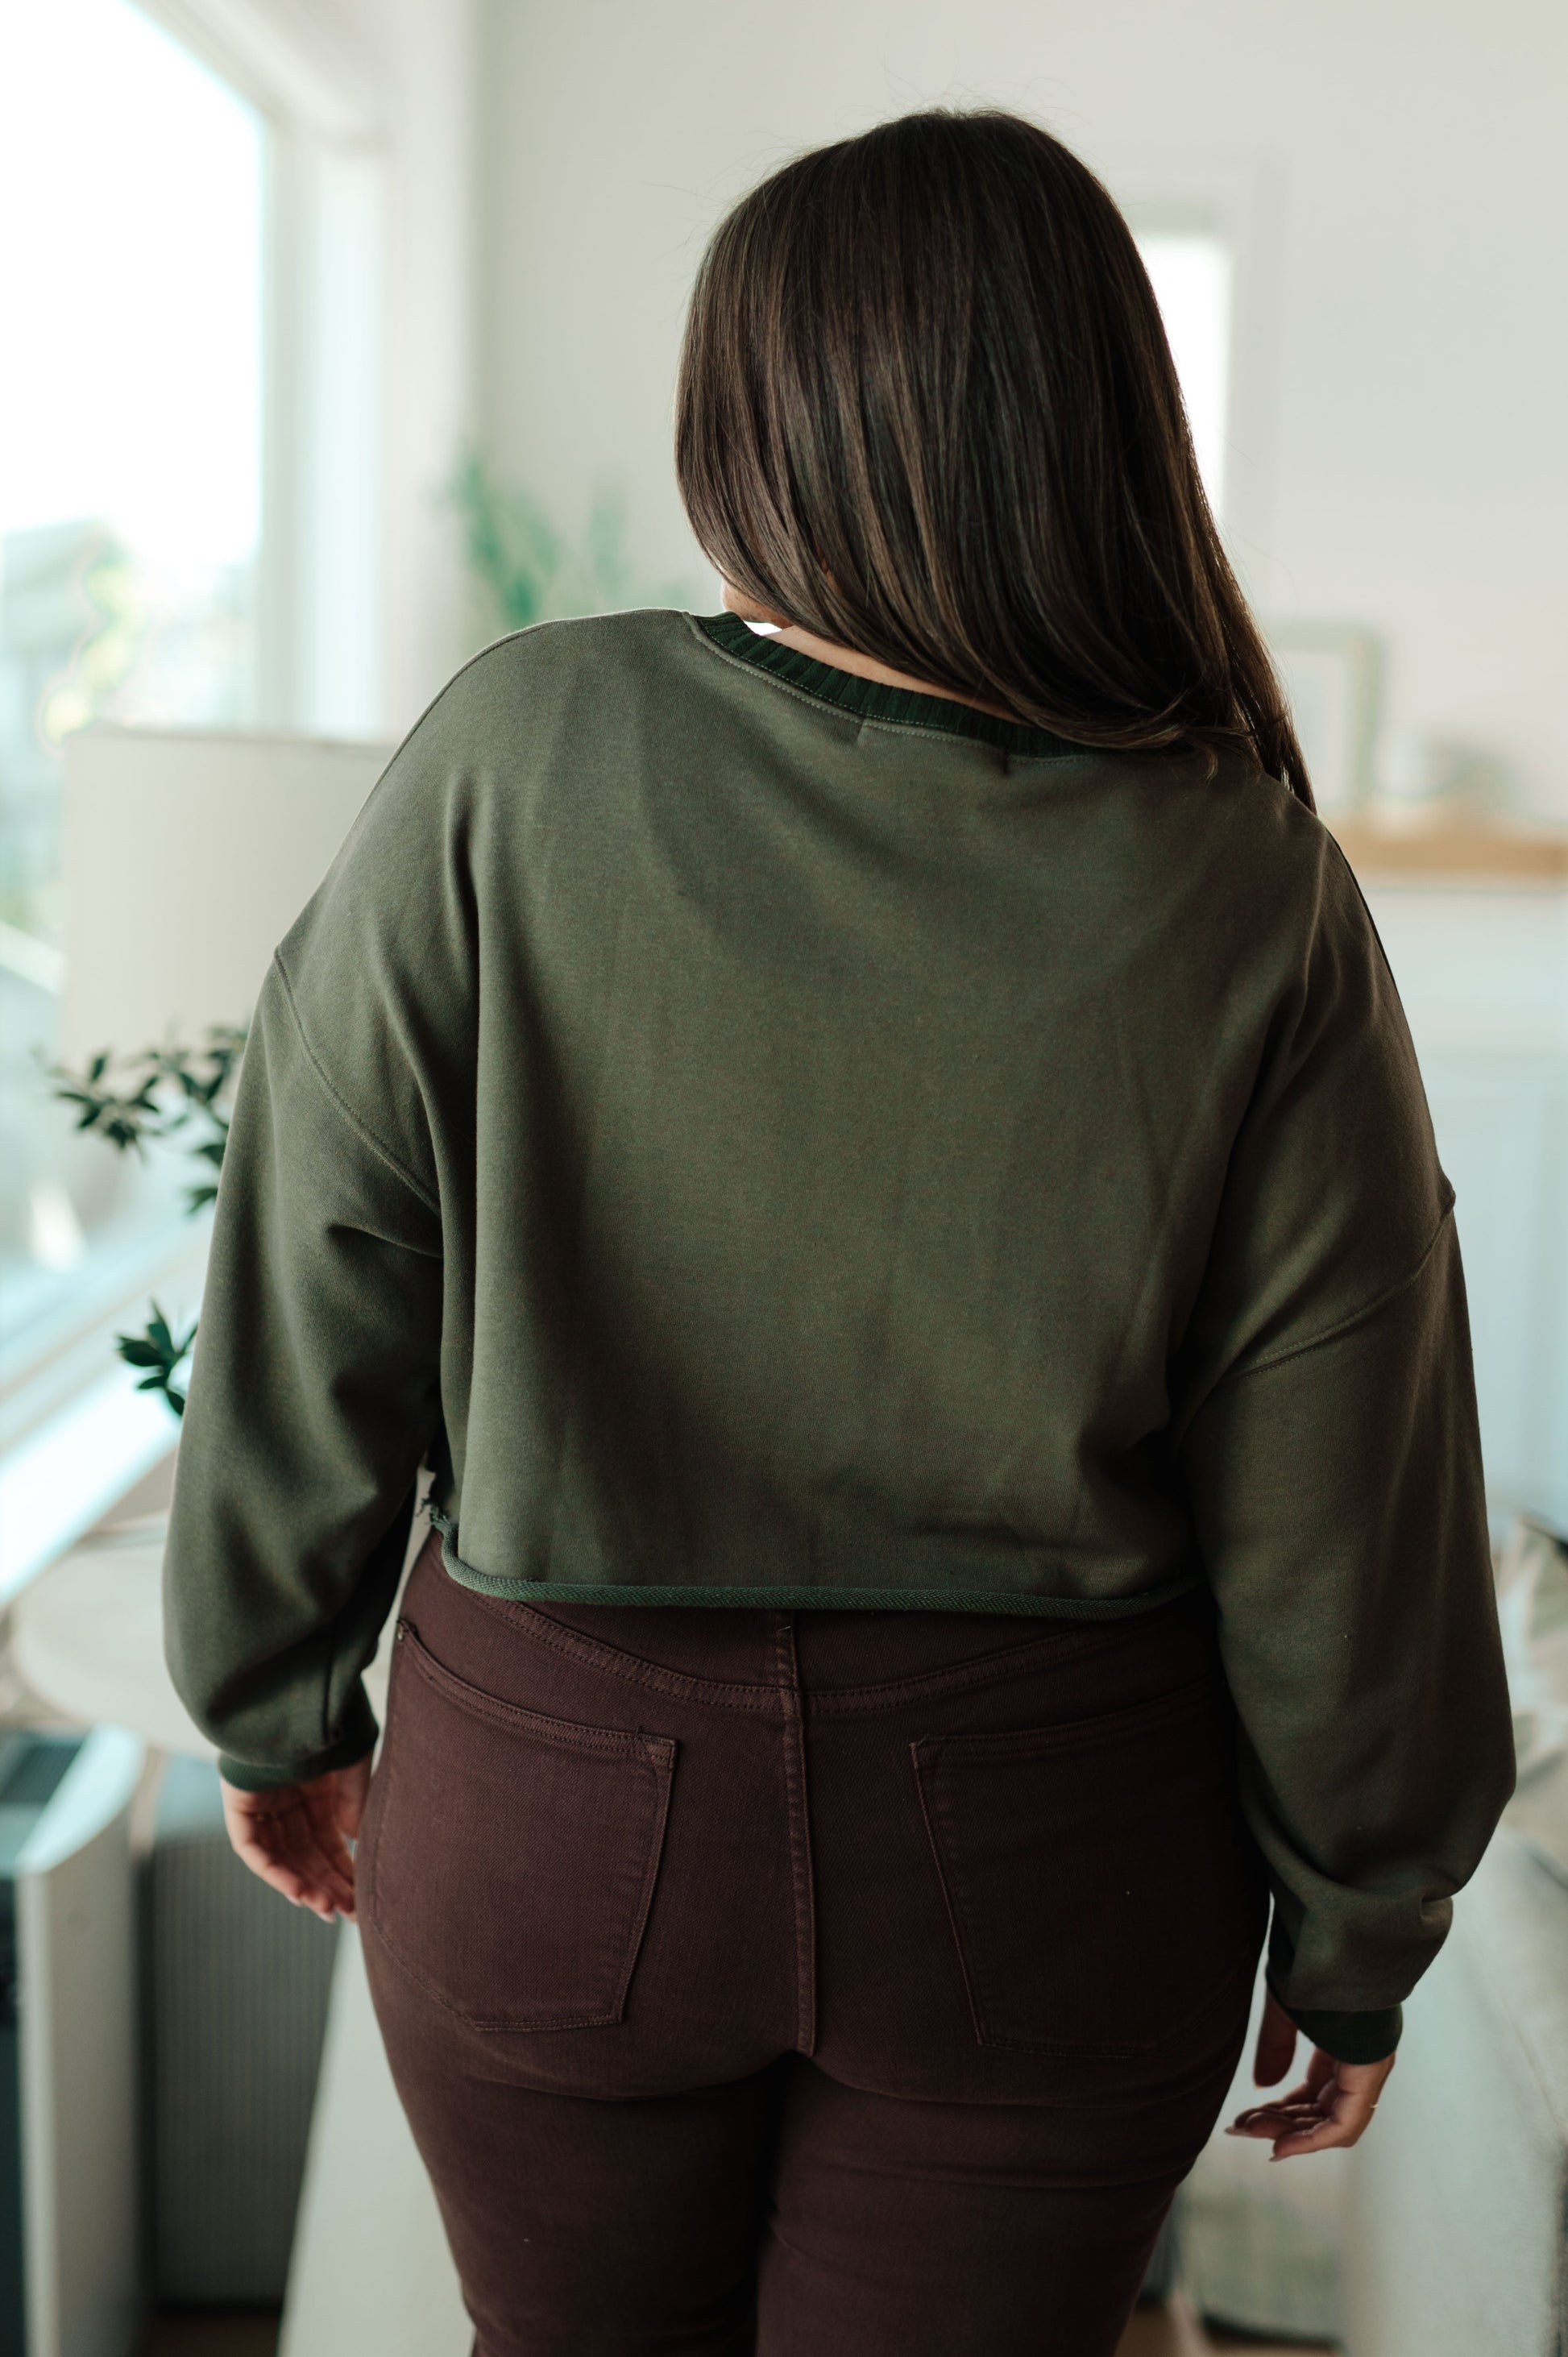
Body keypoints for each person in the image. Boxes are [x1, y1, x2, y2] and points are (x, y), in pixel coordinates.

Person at [164, 107, 1514, 2357]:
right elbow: (1347, 1485)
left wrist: (268, 1695)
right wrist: (1359, 1918)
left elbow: (322, 1254)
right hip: (1054, 1851)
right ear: (1101, 430)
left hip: (553, 1801)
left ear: (746, 420)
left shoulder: (518, 749)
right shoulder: (1245, 882)